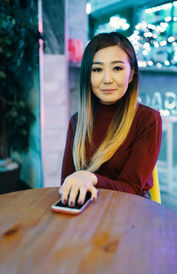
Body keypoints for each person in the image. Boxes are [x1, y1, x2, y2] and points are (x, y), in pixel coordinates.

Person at [59, 32, 162, 207]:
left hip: (132, 210)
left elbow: (132, 188)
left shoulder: (147, 119)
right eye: (97, 69)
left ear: (131, 75)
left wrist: (90, 178)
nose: (107, 80)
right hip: (88, 209)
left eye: (117, 68)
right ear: (87, 76)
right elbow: (68, 183)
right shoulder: (77, 122)